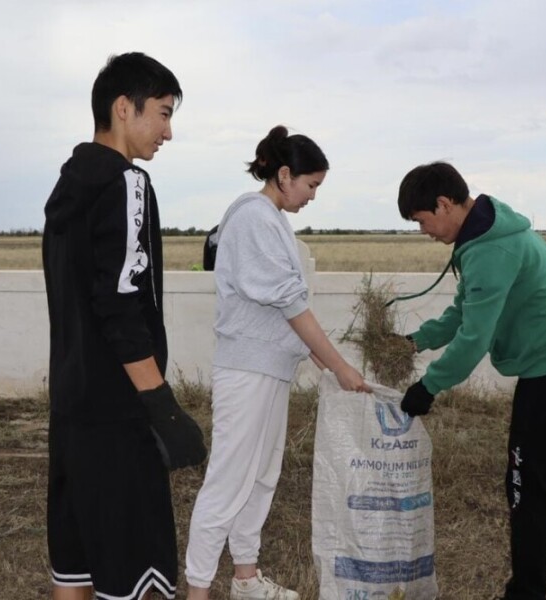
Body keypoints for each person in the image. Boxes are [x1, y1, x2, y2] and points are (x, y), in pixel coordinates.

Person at [395, 162, 546, 600]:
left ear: (444, 204)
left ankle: (526, 593)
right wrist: (418, 341)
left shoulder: (492, 251)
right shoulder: (487, 235)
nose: (423, 231)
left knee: (527, 487)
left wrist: (427, 387)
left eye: (421, 220)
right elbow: (464, 312)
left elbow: (474, 339)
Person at [42, 52, 206, 600]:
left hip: (70, 408)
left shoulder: (67, 185)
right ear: (122, 107)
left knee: (77, 567)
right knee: (141, 579)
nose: (168, 131)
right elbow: (120, 306)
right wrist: (162, 407)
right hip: (118, 414)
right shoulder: (127, 183)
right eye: (162, 113)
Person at [184, 125, 371, 600]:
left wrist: (321, 358)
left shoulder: (272, 219)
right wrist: (338, 366)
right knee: (228, 479)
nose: (312, 196)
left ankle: (245, 578)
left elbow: (282, 310)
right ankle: (198, 589)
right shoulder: (253, 219)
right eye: (311, 185)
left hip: (269, 368)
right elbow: (290, 304)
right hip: (247, 372)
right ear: (285, 175)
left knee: (262, 474)